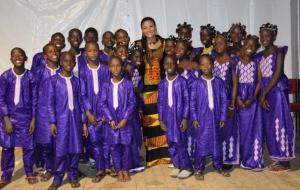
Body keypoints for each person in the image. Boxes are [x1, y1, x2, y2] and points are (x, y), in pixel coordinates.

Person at [47, 52, 88, 190]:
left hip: (75, 121)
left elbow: (82, 103)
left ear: (74, 64)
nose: (68, 64)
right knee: (60, 150)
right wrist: (52, 122)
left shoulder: (77, 82)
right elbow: (50, 103)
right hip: (61, 121)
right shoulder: (53, 81)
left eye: (71, 62)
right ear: (60, 62)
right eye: (65, 61)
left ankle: (73, 175)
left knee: (76, 150)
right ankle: (57, 179)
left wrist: (83, 123)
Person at [258, 23, 295, 171]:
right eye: (262, 36)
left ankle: (285, 161)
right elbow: (260, 77)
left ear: (273, 36)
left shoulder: (279, 51)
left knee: (280, 123)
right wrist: (262, 94)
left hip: (277, 91)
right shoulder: (259, 55)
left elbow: (278, 73)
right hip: (265, 92)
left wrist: (265, 92)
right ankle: (277, 158)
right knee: (270, 125)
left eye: (267, 35)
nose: (264, 38)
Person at [0, 48, 38, 188]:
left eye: (20, 55)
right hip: (8, 118)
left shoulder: (31, 77)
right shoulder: (5, 76)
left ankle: (29, 172)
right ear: (10, 59)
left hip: (26, 117)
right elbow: (1, 98)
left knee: (28, 147)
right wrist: (6, 119)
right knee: (7, 148)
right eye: (14, 55)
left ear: (25, 58)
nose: (17, 57)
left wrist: (34, 119)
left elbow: (35, 99)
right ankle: (6, 175)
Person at [136, 17, 170, 166]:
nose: (148, 29)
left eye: (151, 26)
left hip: (163, 89)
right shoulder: (138, 46)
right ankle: (152, 158)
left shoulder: (165, 43)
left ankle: (167, 156)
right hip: (147, 92)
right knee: (150, 124)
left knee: (163, 121)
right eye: (145, 27)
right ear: (141, 30)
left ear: (155, 27)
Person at [190, 54, 230, 180]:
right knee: (201, 143)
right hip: (202, 118)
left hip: (216, 117)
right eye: (202, 64)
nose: (206, 66)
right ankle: (199, 168)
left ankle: (218, 166)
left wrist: (223, 117)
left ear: (212, 65)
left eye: (208, 63)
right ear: (199, 67)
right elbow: (192, 102)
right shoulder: (196, 83)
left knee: (217, 142)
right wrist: (194, 118)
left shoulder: (219, 82)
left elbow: (224, 100)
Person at [99, 56, 136, 182]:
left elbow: (132, 103)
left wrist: (125, 118)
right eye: (112, 66)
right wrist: (110, 119)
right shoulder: (105, 85)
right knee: (114, 147)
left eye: (118, 65)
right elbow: (102, 103)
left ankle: (125, 169)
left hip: (125, 121)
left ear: (122, 67)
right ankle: (119, 169)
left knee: (126, 146)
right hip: (112, 123)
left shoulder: (127, 84)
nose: (115, 68)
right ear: (109, 68)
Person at [80, 41, 110, 182]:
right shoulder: (83, 70)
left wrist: (106, 112)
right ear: (85, 53)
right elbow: (82, 94)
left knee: (107, 140)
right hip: (91, 113)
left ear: (99, 51)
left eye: (95, 50)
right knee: (95, 142)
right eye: (90, 51)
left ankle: (108, 166)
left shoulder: (105, 69)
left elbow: (108, 90)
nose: (93, 53)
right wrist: (88, 113)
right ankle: (99, 169)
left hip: (104, 112)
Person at [158, 55, 192, 179]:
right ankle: (177, 165)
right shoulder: (162, 84)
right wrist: (161, 119)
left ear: (176, 65)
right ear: (163, 66)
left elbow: (187, 100)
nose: (170, 66)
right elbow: (160, 102)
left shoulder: (182, 82)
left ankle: (186, 167)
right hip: (167, 118)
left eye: (172, 63)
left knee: (180, 142)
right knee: (171, 142)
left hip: (178, 118)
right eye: (167, 64)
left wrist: (184, 117)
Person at [236, 35, 264, 171]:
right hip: (239, 101)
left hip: (252, 102)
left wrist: (253, 97)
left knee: (254, 130)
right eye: (247, 44)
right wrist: (237, 99)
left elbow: (259, 81)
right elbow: (233, 82)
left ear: (256, 49)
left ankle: (255, 160)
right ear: (243, 44)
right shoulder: (237, 62)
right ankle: (243, 159)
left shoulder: (256, 62)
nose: (249, 47)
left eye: (253, 46)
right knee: (242, 131)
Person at [213, 33, 239, 169]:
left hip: (228, 99)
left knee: (229, 129)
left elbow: (235, 83)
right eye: (216, 43)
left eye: (221, 43)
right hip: (215, 100)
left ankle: (228, 159)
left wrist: (232, 103)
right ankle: (218, 157)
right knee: (218, 129)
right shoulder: (213, 60)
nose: (218, 46)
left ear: (227, 44)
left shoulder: (232, 61)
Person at [34, 43, 60, 181]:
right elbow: (33, 93)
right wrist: (34, 115)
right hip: (43, 112)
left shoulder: (63, 70)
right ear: (45, 56)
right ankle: (49, 168)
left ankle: (60, 167)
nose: (54, 53)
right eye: (50, 51)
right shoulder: (39, 72)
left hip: (60, 112)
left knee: (60, 142)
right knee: (46, 143)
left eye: (55, 50)